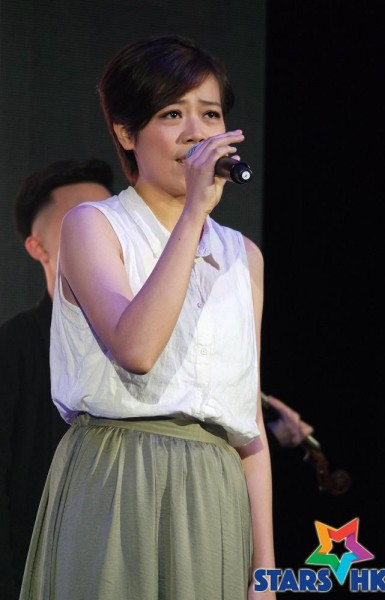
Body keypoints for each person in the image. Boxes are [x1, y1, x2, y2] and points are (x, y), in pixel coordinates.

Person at [20, 36, 276, 600]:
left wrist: (266, 573)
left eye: (210, 114)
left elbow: (249, 424)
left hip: (214, 491)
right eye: (172, 114)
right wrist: (193, 214)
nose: (196, 132)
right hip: (119, 473)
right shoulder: (93, 226)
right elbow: (136, 349)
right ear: (125, 133)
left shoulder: (244, 256)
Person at [0, 158, 114, 599]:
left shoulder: (148, 336)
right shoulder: (15, 346)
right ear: (38, 247)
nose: (100, 232)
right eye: (79, 221)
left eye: (110, 217)